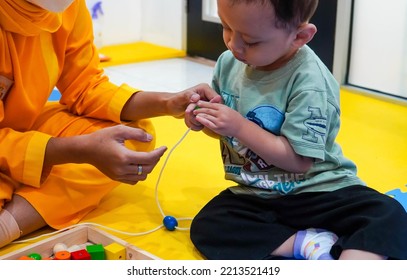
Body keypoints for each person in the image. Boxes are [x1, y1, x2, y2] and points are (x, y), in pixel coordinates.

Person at [184, 0, 407, 260]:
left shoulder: (310, 82)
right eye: (226, 28)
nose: (234, 45)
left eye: (251, 41)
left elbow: (299, 162)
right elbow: (231, 135)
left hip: (318, 190)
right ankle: (306, 243)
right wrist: (208, 121)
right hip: (257, 194)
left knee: (387, 216)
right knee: (210, 223)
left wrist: (239, 125)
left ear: (300, 36)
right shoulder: (228, 63)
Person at [0, 0, 217, 248]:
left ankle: (11, 214)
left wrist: (167, 103)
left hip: (21, 129)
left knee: (132, 137)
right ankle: (18, 203)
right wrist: (80, 150)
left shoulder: (67, 7)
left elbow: (85, 85)